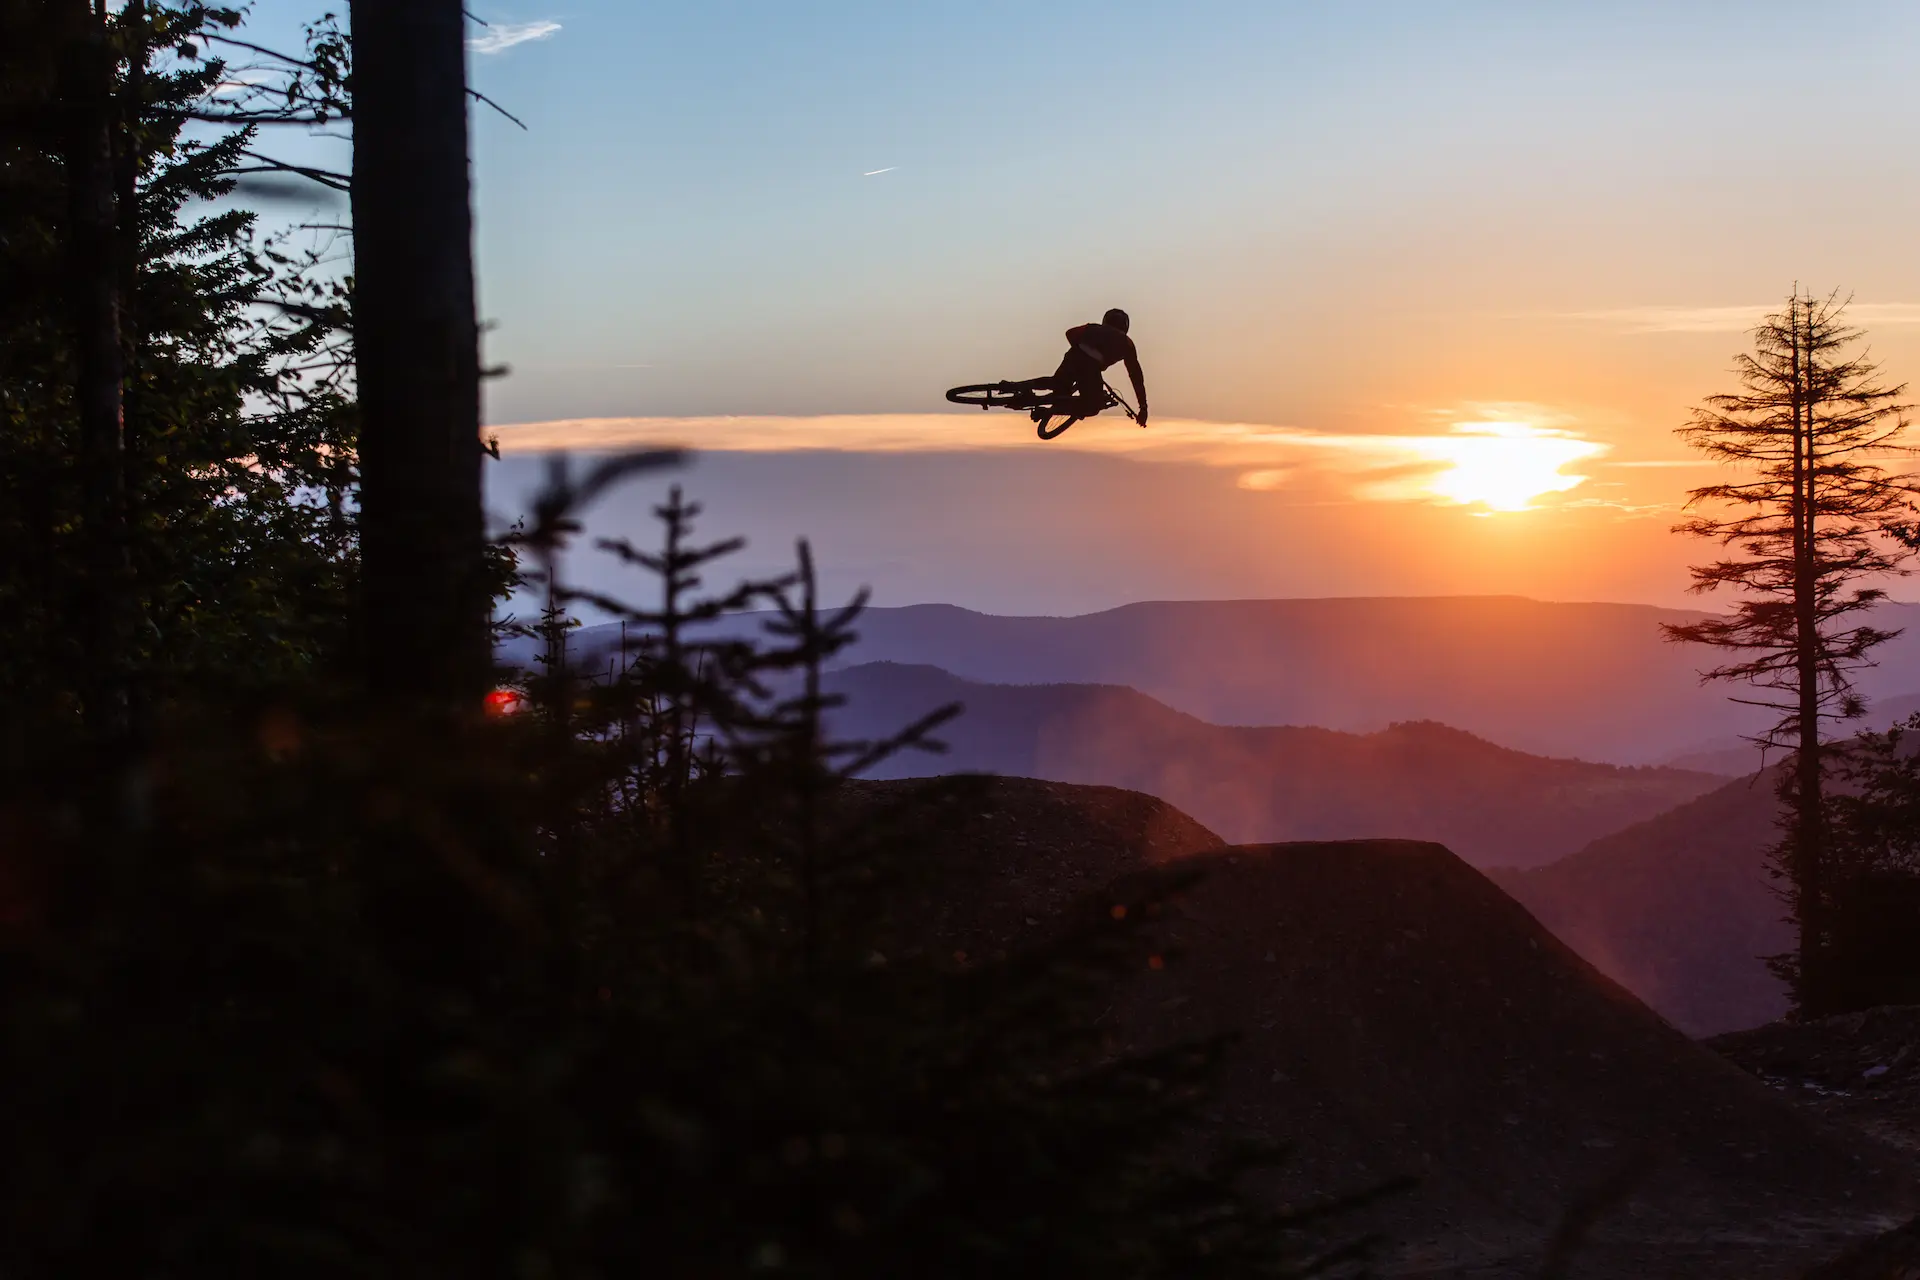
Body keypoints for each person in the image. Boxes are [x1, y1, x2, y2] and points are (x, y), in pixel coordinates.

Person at [1038, 308, 1149, 428]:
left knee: (1058, 386)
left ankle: (1018, 387)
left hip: (1073, 357)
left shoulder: (1092, 328)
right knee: (1093, 406)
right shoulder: (1127, 343)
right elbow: (1136, 376)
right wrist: (1143, 406)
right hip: (1090, 369)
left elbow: (1070, 333)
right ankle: (1046, 412)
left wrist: (1081, 350)